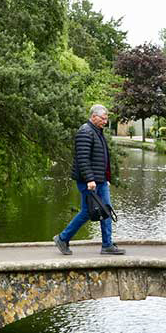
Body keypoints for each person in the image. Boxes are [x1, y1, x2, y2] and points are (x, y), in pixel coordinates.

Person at [54, 105, 125, 256]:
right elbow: (83, 159)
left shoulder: (97, 132)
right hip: (89, 181)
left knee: (106, 210)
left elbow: (100, 158)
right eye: (103, 118)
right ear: (93, 117)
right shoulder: (85, 132)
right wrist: (90, 179)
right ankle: (62, 238)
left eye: (106, 118)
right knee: (87, 212)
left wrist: (105, 178)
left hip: (100, 180)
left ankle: (107, 245)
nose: (105, 121)